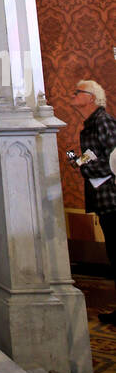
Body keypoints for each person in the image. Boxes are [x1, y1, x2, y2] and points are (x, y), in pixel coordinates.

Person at [71, 80, 116, 324]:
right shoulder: (91, 124)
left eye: (78, 92)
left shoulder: (103, 121)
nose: (74, 94)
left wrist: (86, 168)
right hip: (104, 199)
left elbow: (114, 158)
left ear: (91, 98)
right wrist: (80, 163)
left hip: (112, 196)